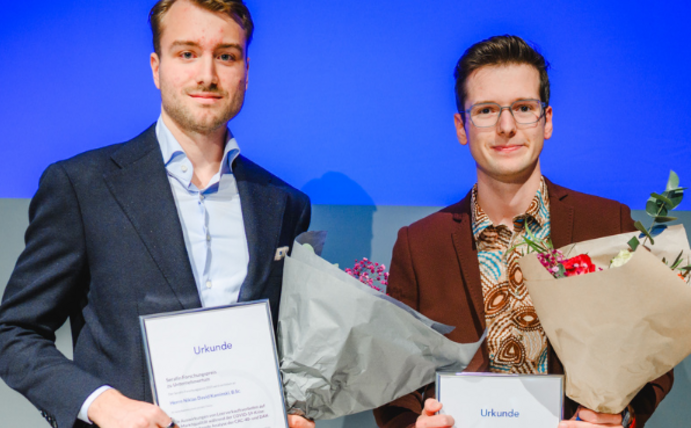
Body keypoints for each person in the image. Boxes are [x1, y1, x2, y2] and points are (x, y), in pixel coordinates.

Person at [0, 1, 314, 427]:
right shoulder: (83, 185)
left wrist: (290, 410)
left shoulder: (283, 203)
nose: (207, 74)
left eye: (226, 55)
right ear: (156, 67)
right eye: (187, 53)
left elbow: (281, 343)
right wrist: (100, 402)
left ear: (245, 69)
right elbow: (13, 334)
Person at [373, 35, 673, 428]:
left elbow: (654, 349)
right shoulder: (420, 245)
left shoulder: (606, 223)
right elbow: (390, 382)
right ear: (461, 127)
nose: (506, 126)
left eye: (523, 108)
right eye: (485, 110)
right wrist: (415, 425)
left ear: (546, 121)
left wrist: (622, 415)